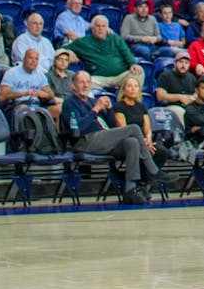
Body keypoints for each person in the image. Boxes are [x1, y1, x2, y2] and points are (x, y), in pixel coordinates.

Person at [59, 71, 155, 204]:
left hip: (103, 140)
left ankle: (130, 190)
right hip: (85, 141)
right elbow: (77, 129)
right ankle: (153, 170)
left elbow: (112, 126)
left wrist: (109, 109)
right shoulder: (70, 103)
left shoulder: (92, 101)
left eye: (88, 82)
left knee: (131, 142)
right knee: (133, 128)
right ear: (73, 86)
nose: (85, 85)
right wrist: (95, 110)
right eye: (81, 82)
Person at [67, 15, 145, 89]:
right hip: (98, 78)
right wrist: (69, 52)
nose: (101, 29)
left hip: (120, 76)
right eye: (98, 26)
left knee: (139, 73)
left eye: (103, 26)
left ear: (107, 28)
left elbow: (126, 53)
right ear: (92, 28)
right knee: (86, 83)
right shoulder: (82, 42)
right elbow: (62, 50)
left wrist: (133, 64)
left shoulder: (115, 38)